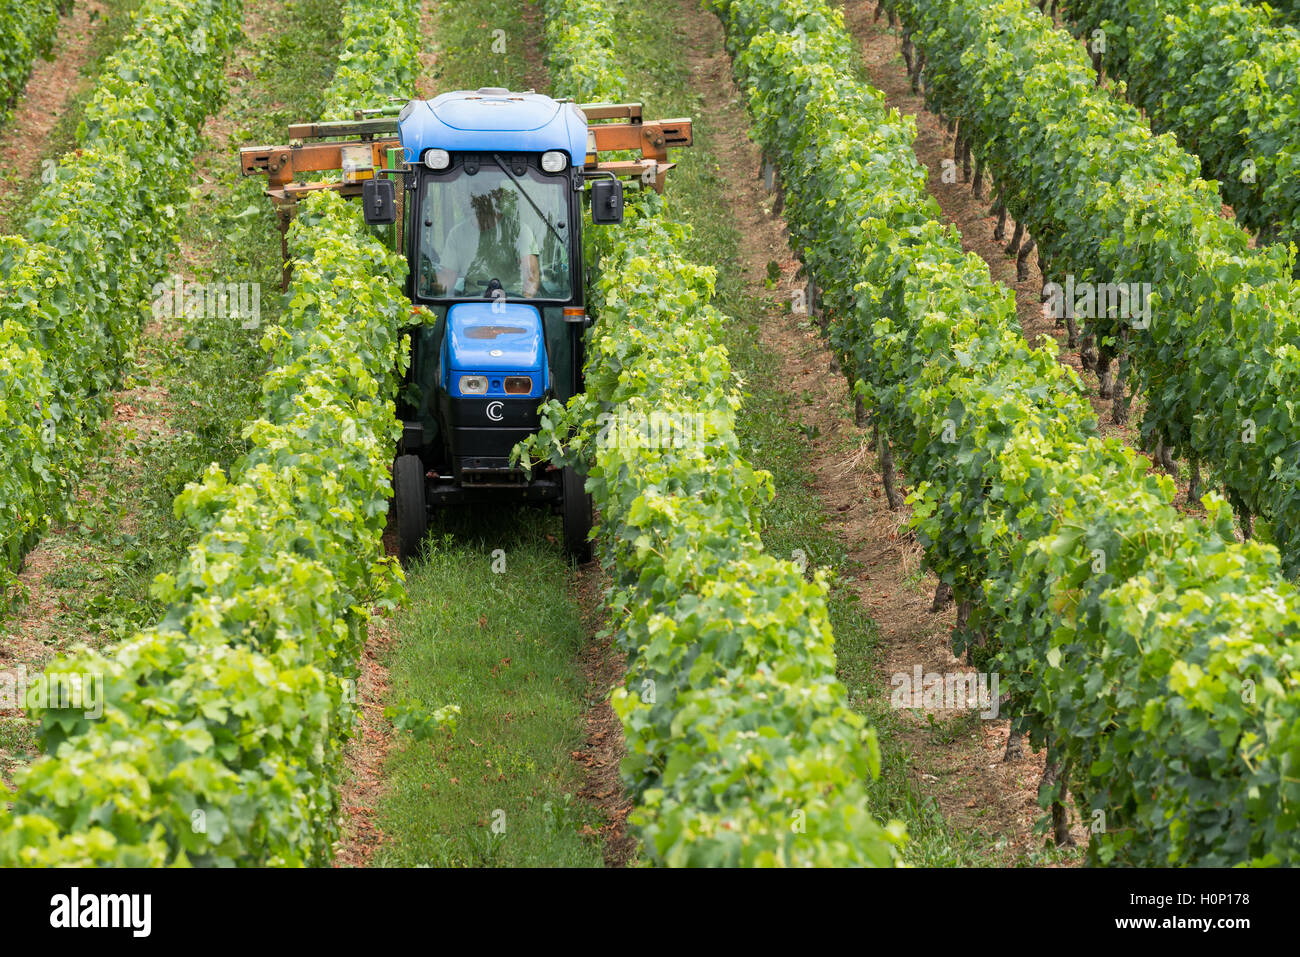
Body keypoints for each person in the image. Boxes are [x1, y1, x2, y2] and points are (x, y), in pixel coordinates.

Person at [428, 184, 541, 297]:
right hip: (470, 303)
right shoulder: (457, 234)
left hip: (512, 302)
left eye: (489, 197)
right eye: (479, 197)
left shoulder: (519, 231)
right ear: (471, 200)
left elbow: (531, 274)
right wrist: (427, 282)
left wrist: (524, 302)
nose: (484, 202)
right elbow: (447, 279)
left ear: (498, 197)